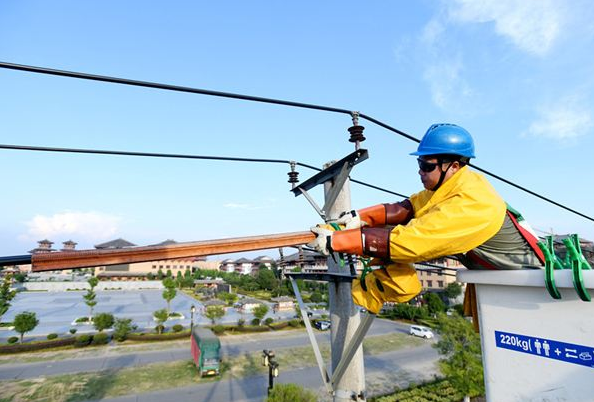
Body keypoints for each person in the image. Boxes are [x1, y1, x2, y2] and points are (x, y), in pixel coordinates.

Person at [308, 123, 544, 314]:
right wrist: (359, 218)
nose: (420, 171)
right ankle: (371, 291)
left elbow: (409, 243)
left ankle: (372, 291)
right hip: (504, 283)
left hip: (533, 289)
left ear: (452, 166)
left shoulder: (472, 203)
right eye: (419, 163)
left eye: (426, 165)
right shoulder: (452, 186)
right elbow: (406, 209)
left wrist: (335, 241)